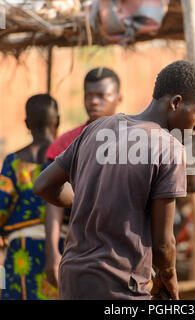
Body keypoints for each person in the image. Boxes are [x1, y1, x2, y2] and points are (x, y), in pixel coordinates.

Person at [34, 60, 195, 300]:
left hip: (73, 277)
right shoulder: (168, 148)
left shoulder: (97, 129)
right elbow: (163, 243)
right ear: (176, 103)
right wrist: (168, 276)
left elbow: (43, 185)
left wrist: (83, 201)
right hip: (121, 284)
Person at [44, 67, 122, 288]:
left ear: (118, 98)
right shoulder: (65, 143)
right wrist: (53, 254)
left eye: (102, 96)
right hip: (78, 246)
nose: (94, 102)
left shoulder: (135, 141)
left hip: (125, 246)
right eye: (89, 96)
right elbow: (53, 201)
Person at [0, 94, 60, 300]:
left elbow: (1, 206)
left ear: (26, 123)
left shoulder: (13, 163)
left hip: (22, 252)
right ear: (57, 121)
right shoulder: (68, 158)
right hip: (64, 249)